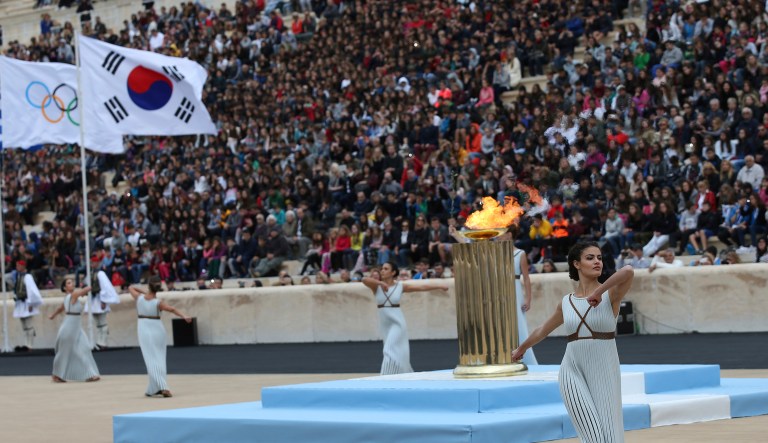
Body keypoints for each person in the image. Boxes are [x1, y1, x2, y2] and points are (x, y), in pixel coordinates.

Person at [512, 242, 635, 442]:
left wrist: (598, 292)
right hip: (571, 371)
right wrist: (521, 348)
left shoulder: (611, 295)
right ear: (576, 264)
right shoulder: (566, 302)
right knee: (592, 436)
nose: (597, 262)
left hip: (604, 371)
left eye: (599, 258)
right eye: (590, 258)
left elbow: (628, 271)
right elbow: (543, 330)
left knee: (610, 436)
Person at [361, 261, 448, 375]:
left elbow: (421, 286)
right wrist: (381, 284)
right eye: (382, 268)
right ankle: (402, 373)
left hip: (397, 323)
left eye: (386, 269)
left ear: (393, 272)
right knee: (394, 350)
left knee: (389, 349)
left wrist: (440, 286)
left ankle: (385, 376)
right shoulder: (376, 287)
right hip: (385, 324)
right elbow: (364, 280)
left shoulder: (400, 286)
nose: (382, 271)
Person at [128, 277, 192, 397]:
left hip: (144, 329)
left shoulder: (139, 298)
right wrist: (184, 316)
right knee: (158, 357)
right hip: (157, 328)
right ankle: (153, 388)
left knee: (151, 358)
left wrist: (145, 292)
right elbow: (172, 309)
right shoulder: (158, 302)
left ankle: (164, 387)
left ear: (149, 287)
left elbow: (131, 287)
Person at [48, 279, 100, 383]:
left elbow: (60, 308)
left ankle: (90, 373)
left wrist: (53, 315)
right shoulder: (73, 295)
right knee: (64, 351)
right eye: (69, 283)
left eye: (72, 282)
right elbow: (85, 290)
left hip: (76, 326)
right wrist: (89, 285)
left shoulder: (69, 297)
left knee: (84, 348)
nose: (72, 284)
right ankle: (57, 374)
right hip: (70, 326)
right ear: (64, 288)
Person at [84, 270, 122, 350]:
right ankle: (99, 342)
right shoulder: (90, 273)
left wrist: (103, 300)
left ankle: (103, 343)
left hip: (99, 299)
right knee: (98, 324)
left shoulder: (100, 273)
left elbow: (105, 287)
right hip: (93, 299)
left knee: (103, 323)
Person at [11, 260, 43, 352]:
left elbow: (31, 291)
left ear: (23, 266)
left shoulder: (27, 277)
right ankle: (26, 344)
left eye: (18, 265)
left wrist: (31, 303)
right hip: (21, 303)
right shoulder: (18, 276)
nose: (17, 267)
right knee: (24, 325)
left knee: (29, 325)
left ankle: (30, 345)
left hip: (26, 303)